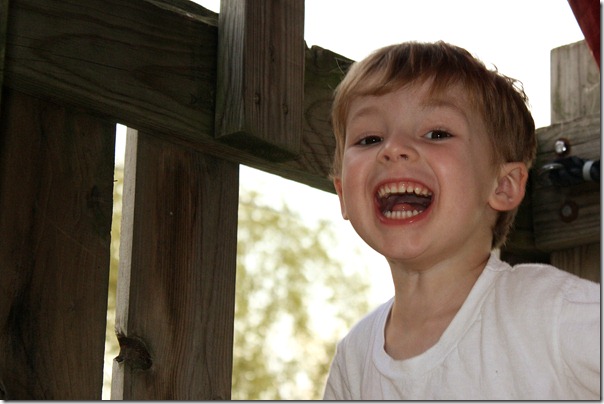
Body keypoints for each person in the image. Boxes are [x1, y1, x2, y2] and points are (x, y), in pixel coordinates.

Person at [323, 41, 600, 400]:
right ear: (343, 194)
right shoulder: (354, 360)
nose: (393, 149)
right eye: (370, 138)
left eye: (437, 134)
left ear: (503, 185)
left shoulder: (552, 313)